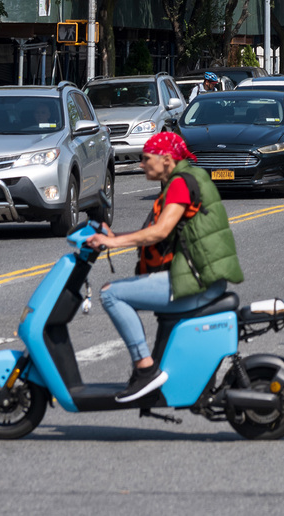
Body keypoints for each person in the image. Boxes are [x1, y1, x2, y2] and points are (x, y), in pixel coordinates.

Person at [87, 131, 198, 401]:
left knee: (111, 293)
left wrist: (114, 244)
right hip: (179, 275)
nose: (141, 164)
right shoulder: (172, 187)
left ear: (166, 159)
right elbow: (155, 236)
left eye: (147, 158)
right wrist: (114, 236)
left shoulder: (181, 185)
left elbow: (160, 232)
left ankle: (145, 369)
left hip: (184, 278)